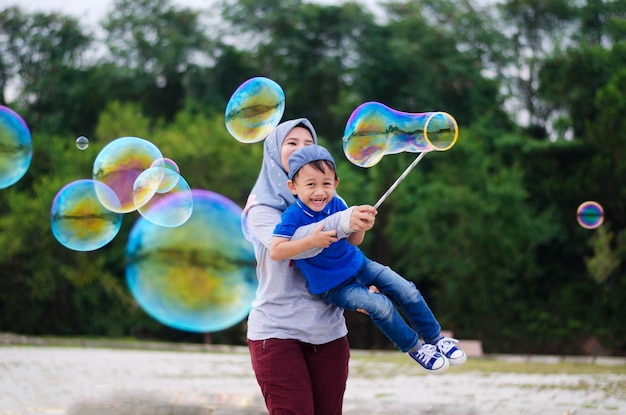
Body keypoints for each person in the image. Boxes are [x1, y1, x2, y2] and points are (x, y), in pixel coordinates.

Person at [270, 144, 467, 374]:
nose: (319, 192)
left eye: (326, 183)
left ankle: (436, 338)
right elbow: (276, 251)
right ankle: (415, 348)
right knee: (380, 306)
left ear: (335, 183)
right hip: (334, 287)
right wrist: (312, 241)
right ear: (293, 187)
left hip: (361, 265)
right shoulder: (292, 216)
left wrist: (362, 226)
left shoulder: (338, 204)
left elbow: (354, 241)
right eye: (310, 184)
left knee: (407, 290)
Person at [241, 118, 377, 415]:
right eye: (291, 143)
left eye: (308, 143)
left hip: (328, 332)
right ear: (275, 153)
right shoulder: (260, 208)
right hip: (277, 332)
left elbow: (342, 254)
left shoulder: (329, 199)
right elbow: (293, 242)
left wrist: (361, 289)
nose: (301, 149)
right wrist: (343, 221)